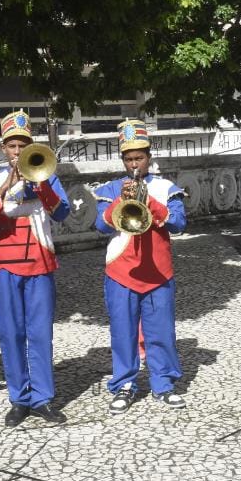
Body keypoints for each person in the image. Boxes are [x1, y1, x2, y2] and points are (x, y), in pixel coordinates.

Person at [0, 110, 71, 427]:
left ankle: (42, 398)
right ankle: (19, 398)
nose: (18, 152)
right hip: (4, 267)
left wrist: (41, 186)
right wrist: (4, 189)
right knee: (10, 334)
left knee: (40, 333)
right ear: (4, 149)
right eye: (12, 147)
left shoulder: (47, 174)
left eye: (23, 146)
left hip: (39, 262)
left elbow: (62, 213)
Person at [92, 119, 188, 413]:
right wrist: (121, 199)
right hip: (121, 271)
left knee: (161, 331)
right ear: (123, 160)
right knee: (123, 332)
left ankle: (163, 383)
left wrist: (152, 204)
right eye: (129, 159)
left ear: (149, 157)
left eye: (140, 158)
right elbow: (100, 226)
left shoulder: (165, 186)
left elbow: (180, 224)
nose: (135, 164)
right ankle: (125, 384)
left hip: (158, 271)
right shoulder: (111, 188)